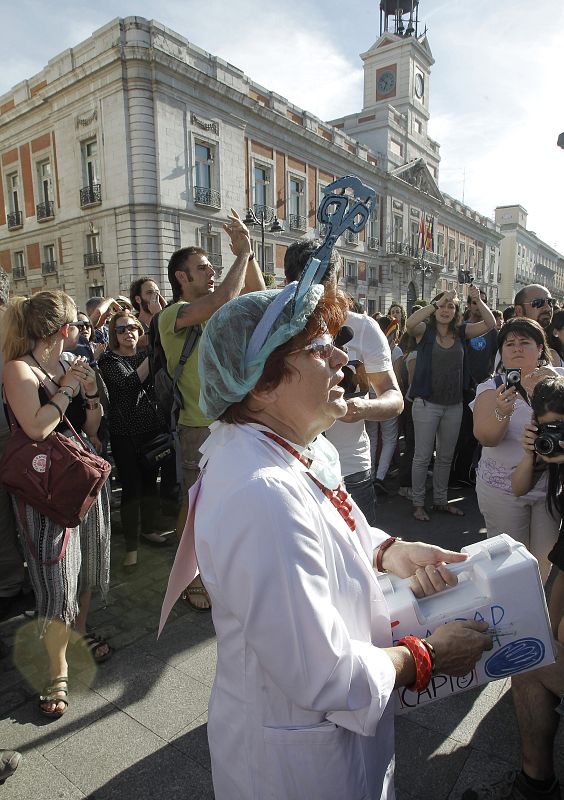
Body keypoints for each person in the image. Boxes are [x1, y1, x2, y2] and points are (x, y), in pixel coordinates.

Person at [161, 279, 492, 800]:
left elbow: (331, 525)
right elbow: (323, 671)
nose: (342, 357)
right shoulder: (261, 492)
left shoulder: (290, 446)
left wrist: (388, 551)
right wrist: (428, 656)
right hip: (296, 769)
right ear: (262, 384)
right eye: (318, 348)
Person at [1, 290, 111, 718]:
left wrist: (91, 393)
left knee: (85, 568)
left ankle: (79, 633)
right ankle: (56, 669)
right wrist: (66, 390)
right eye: (78, 326)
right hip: (44, 489)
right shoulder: (18, 368)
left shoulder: (67, 364)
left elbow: (91, 427)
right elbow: (36, 428)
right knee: (55, 581)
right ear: (65, 329)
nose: (81, 332)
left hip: (81, 478)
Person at [158, 208, 264, 609]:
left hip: (232, 423)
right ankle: (189, 578)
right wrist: (242, 255)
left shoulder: (218, 310)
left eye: (211, 265)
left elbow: (257, 298)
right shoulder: (172, 315)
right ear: (181, 278)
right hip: (198, 428)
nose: (211, 271)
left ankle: (221, 569)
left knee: (229, 503)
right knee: (195, 507)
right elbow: (225, 297)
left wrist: (248, 252)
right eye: (202, 267)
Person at [464, 376, 564, 800]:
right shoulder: (550, 457)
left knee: (529, 653)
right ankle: (535, 783)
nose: (553, 435)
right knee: (534, 650)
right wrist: (532, 453)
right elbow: (520, 486)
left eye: (560, 425)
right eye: (546, 426)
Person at [284, 240, 403, 524]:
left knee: (362, 548)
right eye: (309, 291)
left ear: (338, 281)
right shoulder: (278, 329)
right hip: (291, 468)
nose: (319, 304)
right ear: (289, 284)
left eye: (326, 291)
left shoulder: (363, 328)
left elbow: (394, 397)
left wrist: (363, 408)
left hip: (351, 470)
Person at [471, 318, 560, 583]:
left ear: (540, 348)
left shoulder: (559, 381)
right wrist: (502, 411)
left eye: (525, 342)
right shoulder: (492, 388)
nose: (517, 348)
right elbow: (486, 438)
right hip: (502, 489)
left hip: (548, 486)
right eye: (510, 343)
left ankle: (537, 607)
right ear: (502, 351)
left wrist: (556, 383)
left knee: (544, 562)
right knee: (510, 567)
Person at [406, 286, 496, 521]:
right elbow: (410, 323)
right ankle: (418, 504)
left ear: (456, 311)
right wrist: (437, 302)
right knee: (422, 457)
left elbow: (490, 323)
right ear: (435, 309)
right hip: (426, 404)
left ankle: (440, 501)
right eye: (442, 306)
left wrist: (477, 300)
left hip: (454, 405)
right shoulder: (424, 331)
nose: (446, 310)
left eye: (450, 306)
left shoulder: (461, 332)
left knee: (445, 457)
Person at [98, 311, 171, 570]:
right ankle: (131, 548)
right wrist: (153, 354)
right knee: (132, 489)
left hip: (151, 430)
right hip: (125, 435)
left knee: (151, 484)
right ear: (113, 335)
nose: (128, 332)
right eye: (121, 329)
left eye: (132, 327)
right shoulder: (109, 360)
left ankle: (148, 530)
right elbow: (130, 384)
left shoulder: (143, 355)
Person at [450, 289, 498, 487]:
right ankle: (455, 475)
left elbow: (494, 358)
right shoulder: (463, 328)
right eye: (476, 302)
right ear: (469, 305)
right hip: (464, 389)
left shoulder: (492, 332)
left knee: (474, 435)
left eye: (483, 302)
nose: (479, 306)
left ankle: (466, 472)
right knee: (462, 434)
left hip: (483, 390)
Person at [0, 268, 26, 601]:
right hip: (23, 427)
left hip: (13, 429)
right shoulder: (19, 323)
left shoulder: (15, 325)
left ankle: (11, 582)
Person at [370, 316, 402, 494]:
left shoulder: (369, 347)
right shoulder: (395, 351)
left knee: (371, 437)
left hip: (370, 397)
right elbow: (397, 379)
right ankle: (380, 477)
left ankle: (369, 475)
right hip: (388, 398)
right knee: (389, 437)